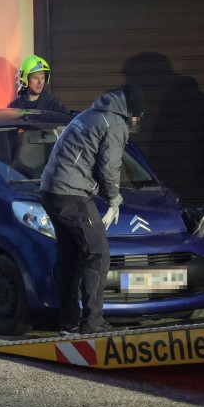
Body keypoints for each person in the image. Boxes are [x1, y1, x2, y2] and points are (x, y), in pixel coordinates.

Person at [40, 84, 145, 334]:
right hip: (71, 194)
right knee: (98, 253)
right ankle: (93, 322)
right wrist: (114, 198)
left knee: (71, 257)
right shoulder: (115, 123)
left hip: (50, 190)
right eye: (137, 118)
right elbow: (109, 168)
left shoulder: (89, 114)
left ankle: (68, 321)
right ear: (132, 113)